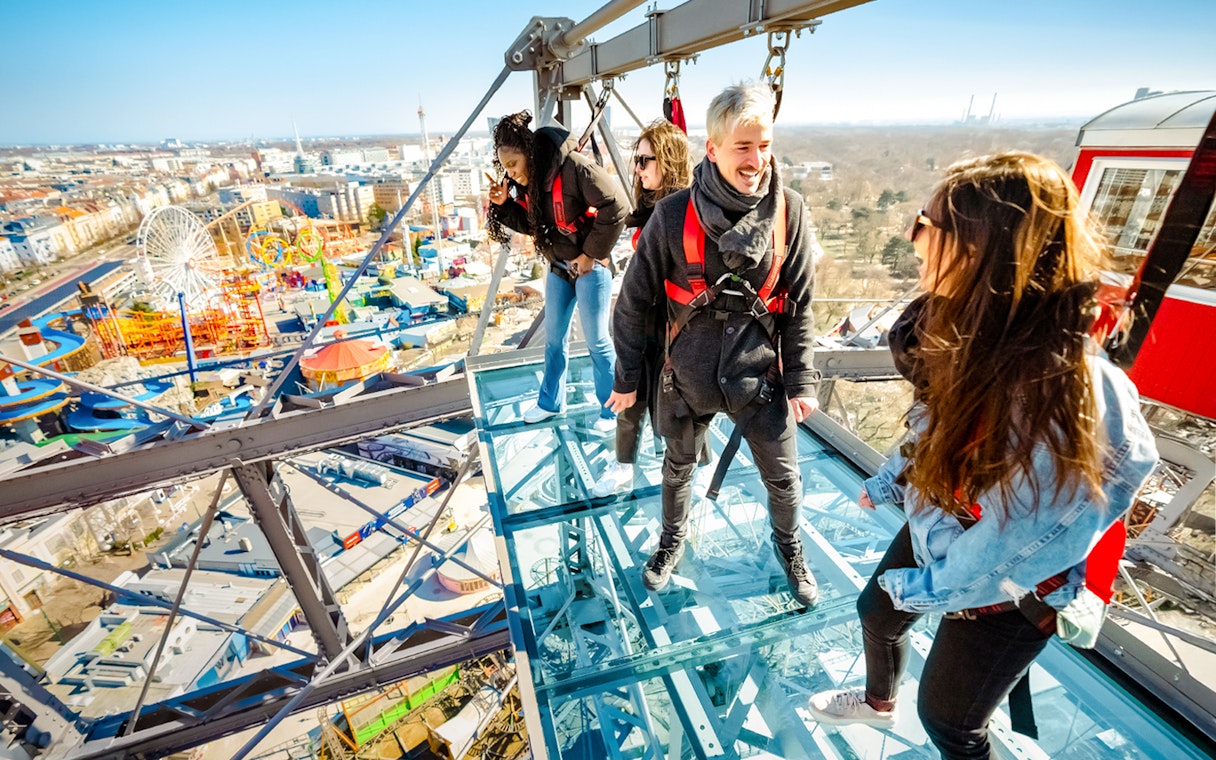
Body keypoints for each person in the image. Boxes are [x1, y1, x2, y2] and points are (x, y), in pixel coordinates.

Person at [806, 152, 1159, 759]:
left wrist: (922, 587)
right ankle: (878, 701)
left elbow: (1005, 556)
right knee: (877, 608)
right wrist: (893, 482)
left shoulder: (1064, 393)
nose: (912, 236)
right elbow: (935, 429)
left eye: (926, 223)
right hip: (947, 526)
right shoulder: (975, 332)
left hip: (1011, 589)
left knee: (949, 720)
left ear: (978, 248)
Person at [607, 83, 822, 606]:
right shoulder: (672, 216)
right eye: (743, 147)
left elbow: (800, 306)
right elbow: (633, 304)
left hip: (758, 376)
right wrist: (628, 380)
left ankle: (790, 549)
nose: (756, 160)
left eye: (764, 145)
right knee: (677, 468)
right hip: (691, 374)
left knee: (784, 478)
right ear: (713, 148)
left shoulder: (789, 214)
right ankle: (672, 539)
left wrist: (801, 379)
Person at [487, 111, 627, 429]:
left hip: (591, 267)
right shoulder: (534, 182)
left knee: (597, 342)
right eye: (504, 167)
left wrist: (590, 255)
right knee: (554, 340)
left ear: (529, 154)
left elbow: (616, 205)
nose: (510, 173)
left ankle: (613, 412)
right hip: (559, 267)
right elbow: (535, 225)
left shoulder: (573, 167)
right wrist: (504, 205)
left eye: (512, 165)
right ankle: (550, 403)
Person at [592, 118, 694, 498]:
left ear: (669, 161)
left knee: (664, 399)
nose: (637, 167)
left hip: (668, 327)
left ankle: (653, 466)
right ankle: (627, 465)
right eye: (637, 159)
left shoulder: (678, 214)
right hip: (654, 323)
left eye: (645, 160)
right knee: (634, 397)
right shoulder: (657, 208)